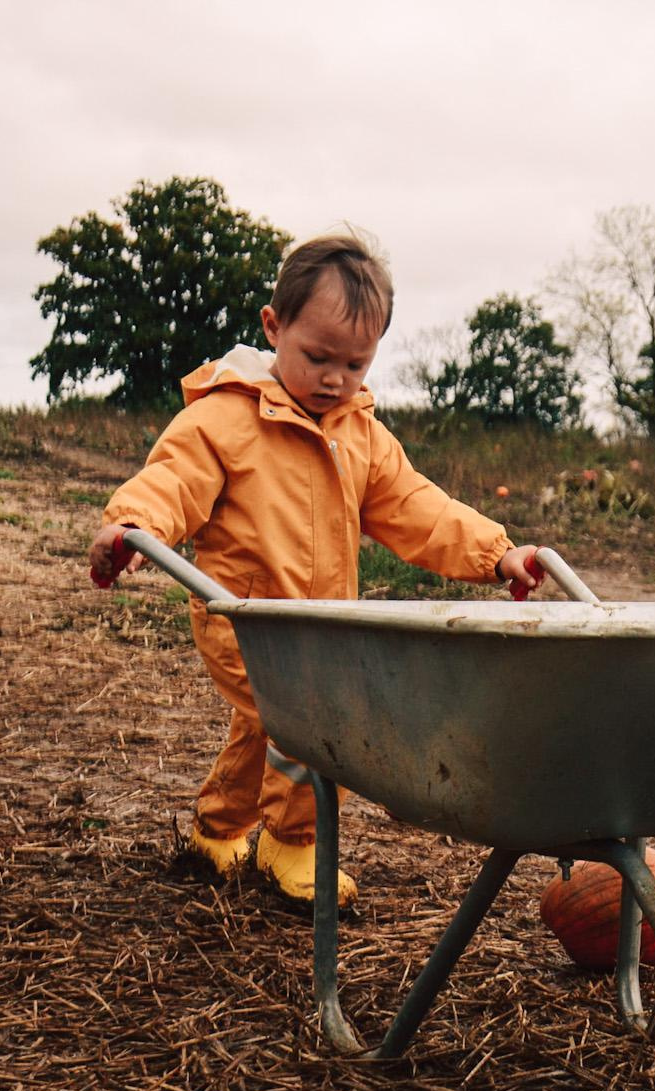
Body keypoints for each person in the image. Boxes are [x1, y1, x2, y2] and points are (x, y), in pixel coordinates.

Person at [88, 229, 540, 903]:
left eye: (355, 365)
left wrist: (496, 553)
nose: (335, 378)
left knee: (267, 722)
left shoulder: (359, 435)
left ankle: (216, 833)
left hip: (322, 619)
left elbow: (418, 508)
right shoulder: (225, 419)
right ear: (274, 327)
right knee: (307, 719)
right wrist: (131, 527)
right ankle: (290, 845)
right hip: (244, 618)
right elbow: (173, 481)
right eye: (318, 356)